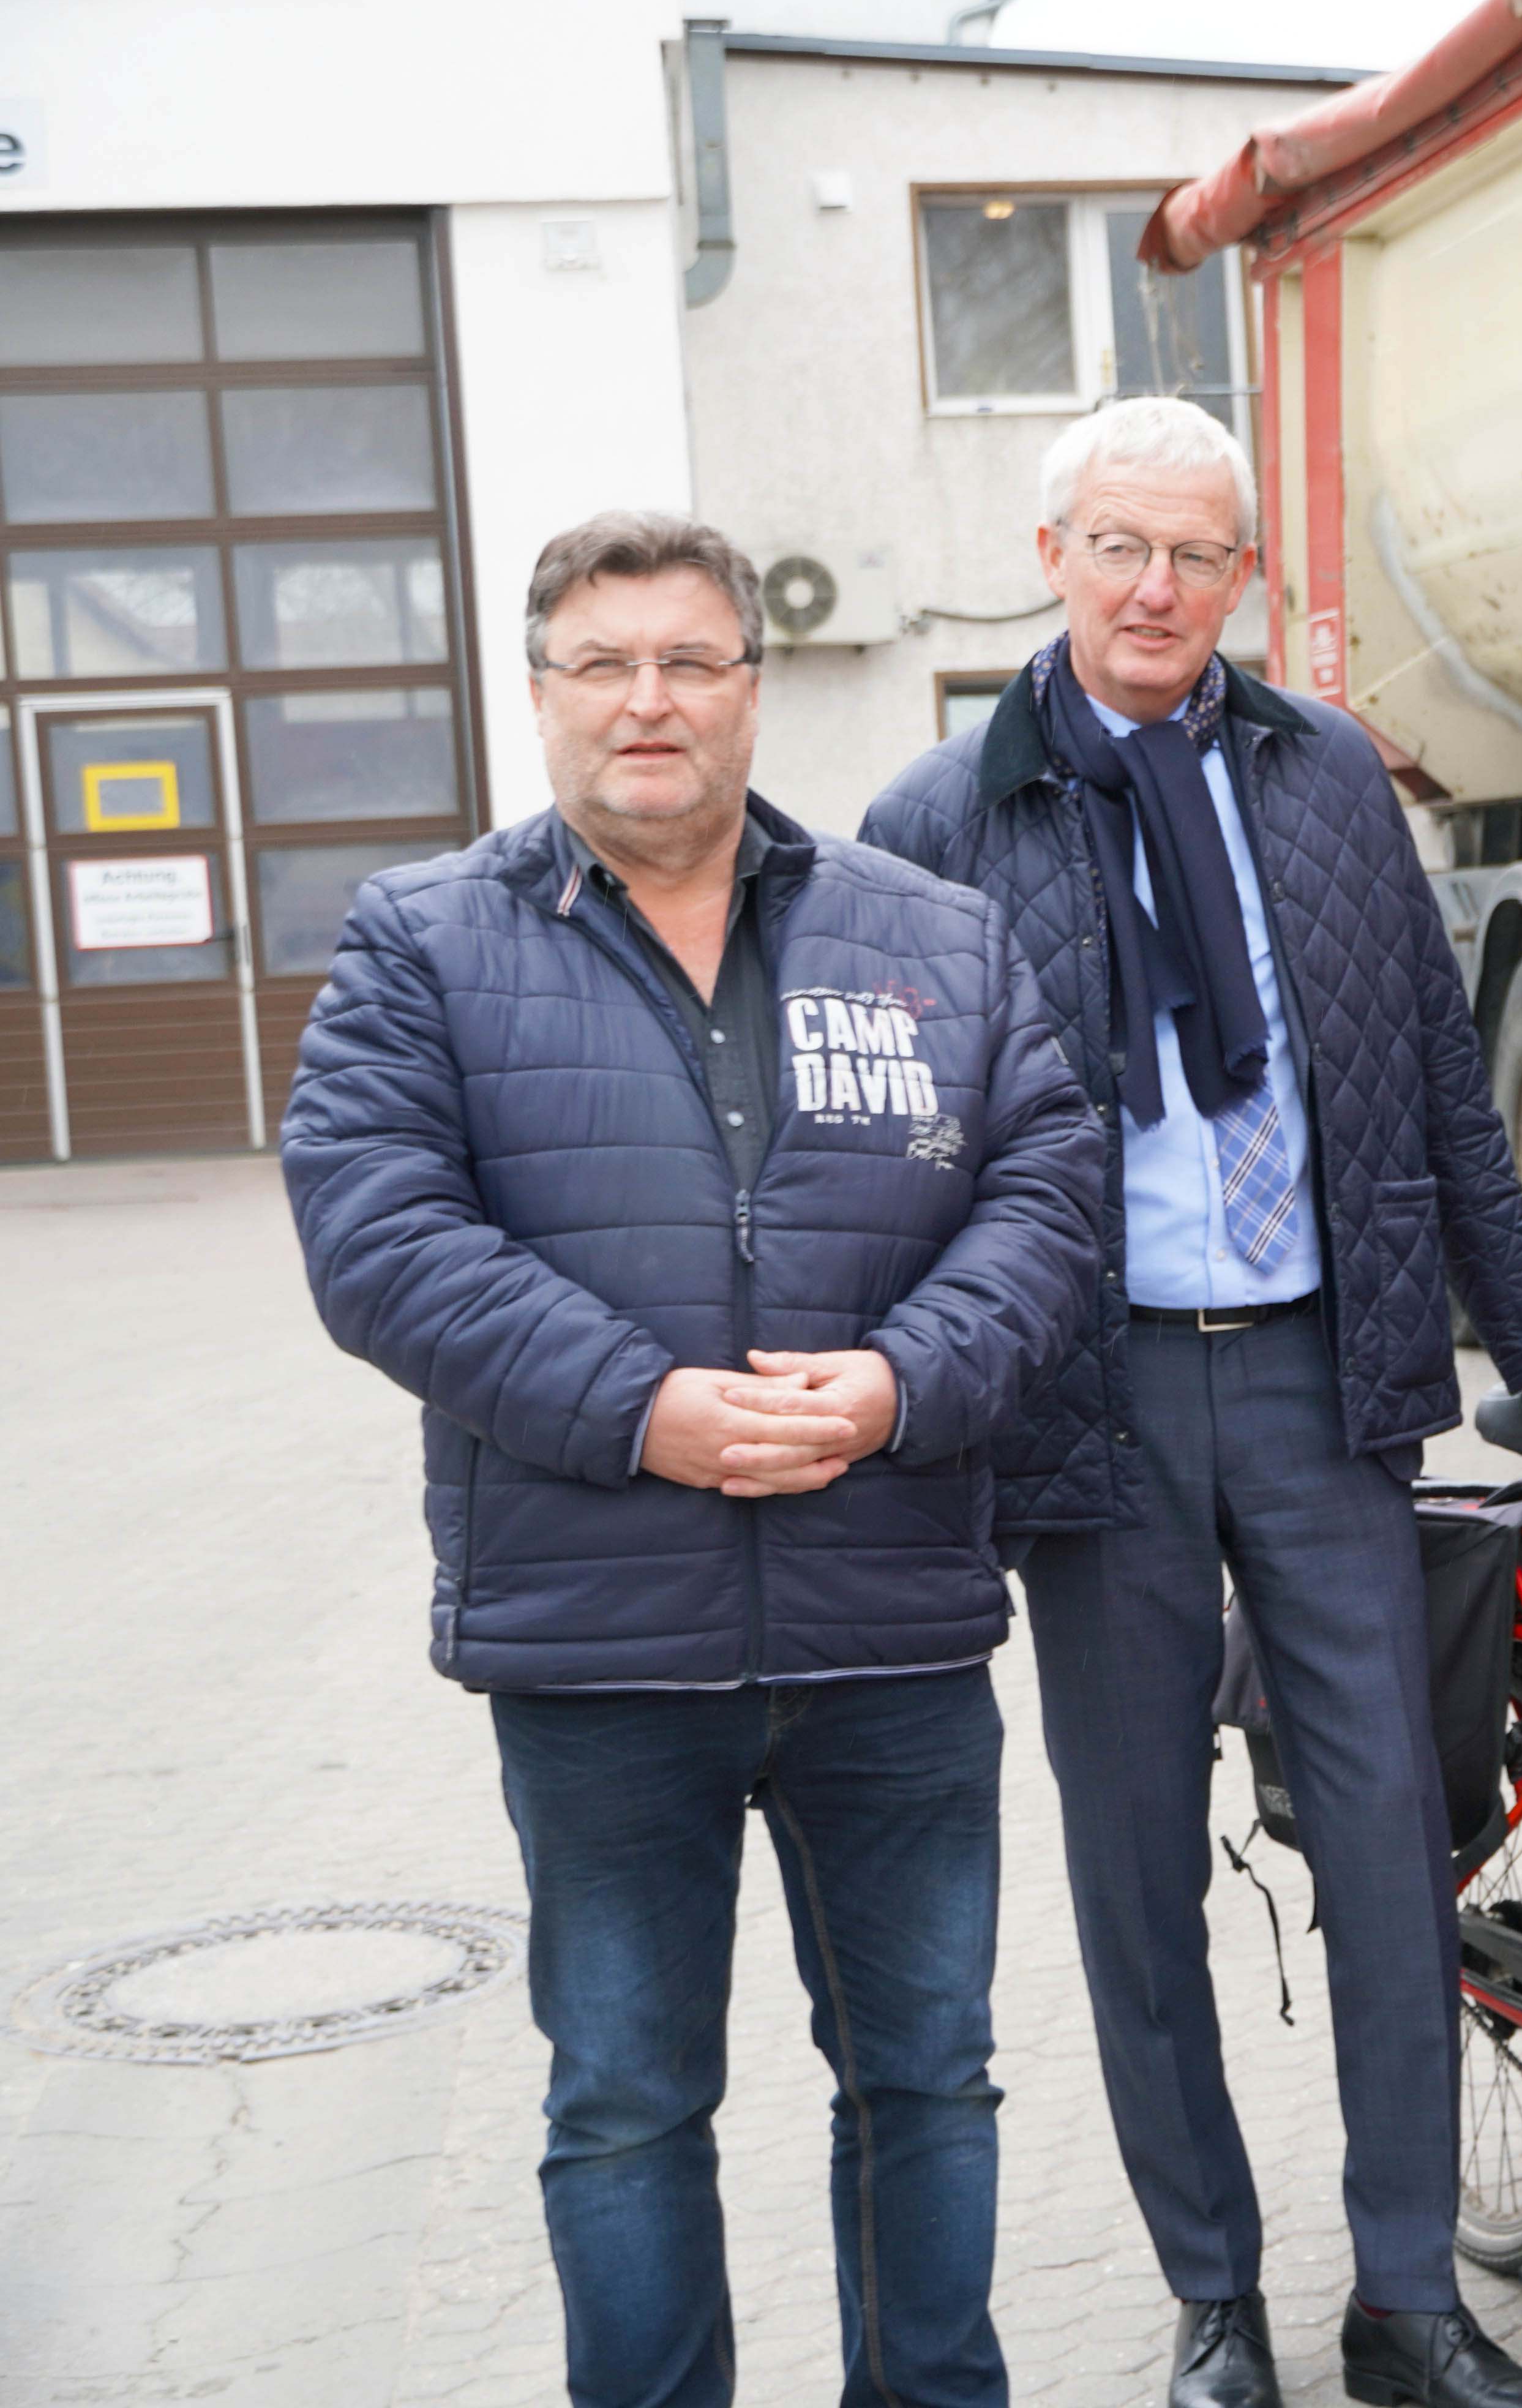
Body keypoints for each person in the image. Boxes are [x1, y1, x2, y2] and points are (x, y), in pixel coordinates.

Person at [861, 399, 1522, 2408]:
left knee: (1389, 1843)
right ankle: (1217, 2299)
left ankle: (1408, 2300)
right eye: (1120, 545)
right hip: (1085, 1408)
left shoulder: (1325, 786)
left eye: (1196, 554)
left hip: (1323, 1379)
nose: (1155, 587)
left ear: (1242, 581)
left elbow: (1438, 1095)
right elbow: (891, 1162)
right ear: (1051, 554)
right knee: (1137, 1876)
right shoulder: (938, 820)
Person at [280, 512, 1102, 2406]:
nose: (647, 700)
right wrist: (644, 1407)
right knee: (630, 2106)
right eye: (604, 663)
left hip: (889, 1627)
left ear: (753, 687)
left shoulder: (931, 935)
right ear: (545, 694)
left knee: (927, 2082)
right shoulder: (426, 942)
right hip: (600, 1647)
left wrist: (903, 1381)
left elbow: (1049, 1197)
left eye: (689, 661)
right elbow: (379, 1234)